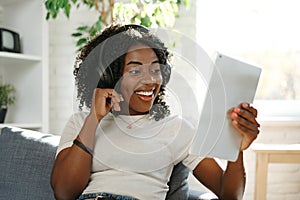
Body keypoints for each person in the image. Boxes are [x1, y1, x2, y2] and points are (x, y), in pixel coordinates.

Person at [50, 23, 260, 200]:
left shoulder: (176, 128)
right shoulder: (81, 123)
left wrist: (236, 148)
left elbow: (228, 193)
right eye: (135, 70)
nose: (150, 80)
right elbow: (64, 192)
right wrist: (93, 120)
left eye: (155, 69)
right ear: (111, 77)